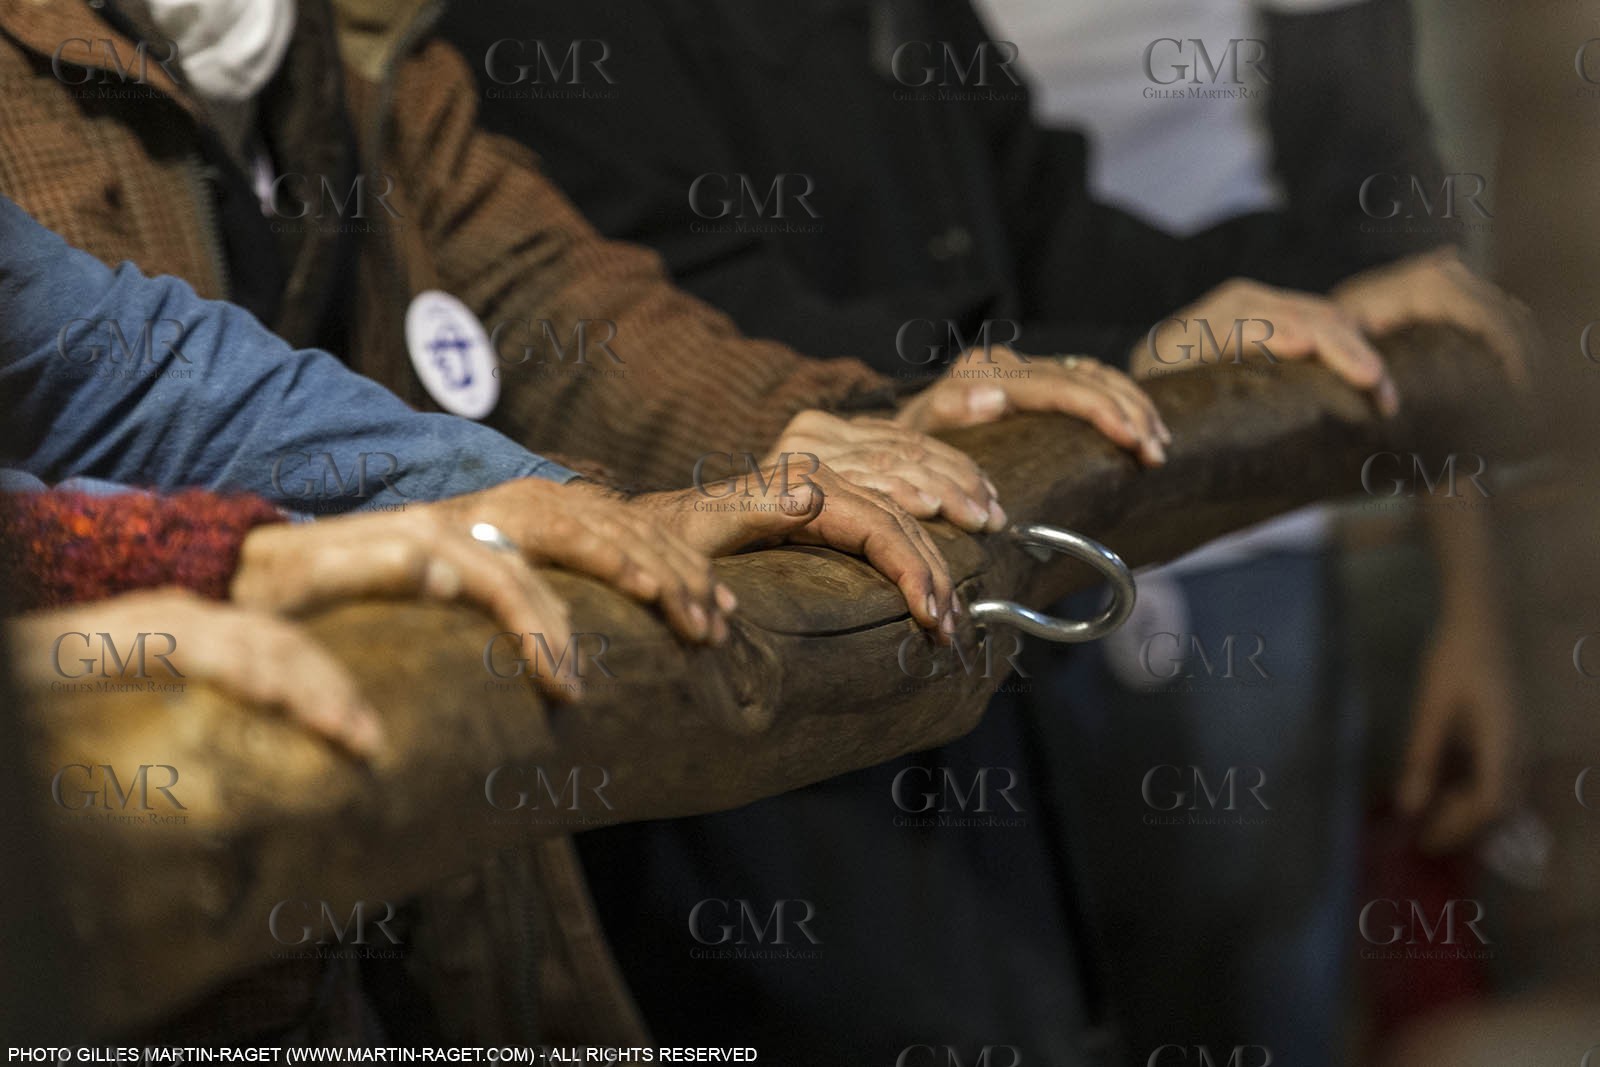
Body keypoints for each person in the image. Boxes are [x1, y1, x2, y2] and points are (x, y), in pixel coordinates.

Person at [439, 0, 1530, 1061]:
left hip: (963, 691)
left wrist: (1311, 288)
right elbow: (673, 312)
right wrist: (1090, 357)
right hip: (747, 754)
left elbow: (1039, 220)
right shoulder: (541, 28)